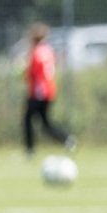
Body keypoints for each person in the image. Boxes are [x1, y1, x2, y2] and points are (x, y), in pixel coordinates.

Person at [23, 22, 75, 156]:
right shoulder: (48, 50)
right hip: (50, 89)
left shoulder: (36, 52)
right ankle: (67, 139)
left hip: (39, 92)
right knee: (45, 122)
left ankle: (29, 151)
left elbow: (32, 73)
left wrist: (22, 74)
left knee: (28, 119)